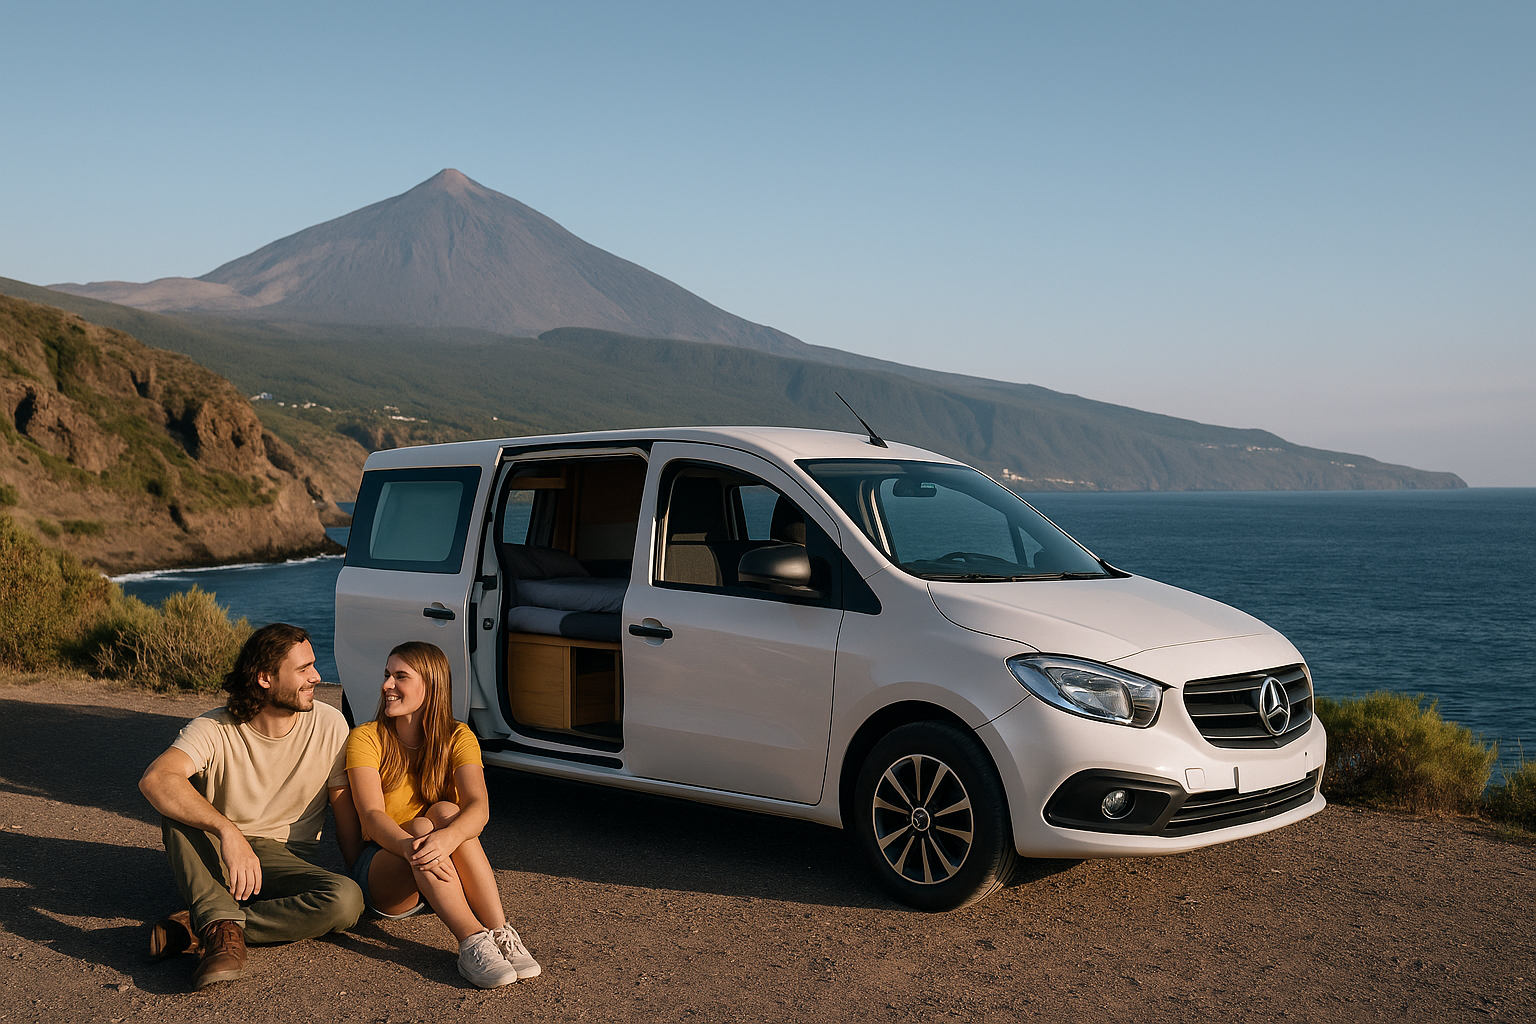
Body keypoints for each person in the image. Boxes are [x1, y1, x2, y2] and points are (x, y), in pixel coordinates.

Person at [139, 622, 364, 990]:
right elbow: (155, 778)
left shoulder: (330, 724)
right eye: (303, 669)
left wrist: (362, 878)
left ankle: (207, 924)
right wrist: (227, 831)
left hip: (284, 859)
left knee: (346, 900)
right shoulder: (213, 727)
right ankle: (220, 932)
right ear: (264, 678)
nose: (316, 677)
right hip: (220, 856)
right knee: (176, 803)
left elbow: (343, 809)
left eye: (313, 665)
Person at [345, 640, 541, 988]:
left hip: (438, 871)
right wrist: (409, 846)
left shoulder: (457, 735)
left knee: (449, 812)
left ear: (431, 685)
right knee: (422, 826)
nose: (387, 685)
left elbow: (479, 807)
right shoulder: (366, 737)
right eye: (387, 675)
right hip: (383, 869)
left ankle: (500, 932)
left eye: (400, 676)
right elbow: (371, 816)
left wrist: (449, 837)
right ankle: (471, 942)